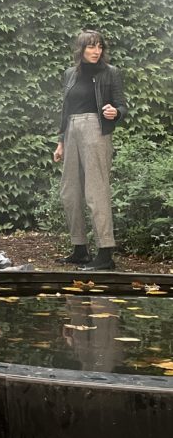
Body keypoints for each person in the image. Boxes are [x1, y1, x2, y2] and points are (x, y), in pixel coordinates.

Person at [53, 29, 127, 270]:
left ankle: (105, 254)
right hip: (71, 130)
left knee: (96, 192)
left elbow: (122, 106)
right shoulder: (70, 74)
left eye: (100, 46)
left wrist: (115, 112)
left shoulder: (110, 72)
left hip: (96, 129)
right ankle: (80, 249)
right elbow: (66, 110)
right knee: (70, 193)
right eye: (91, 46)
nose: (96, 51)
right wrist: (61, 141)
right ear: (81, 49)